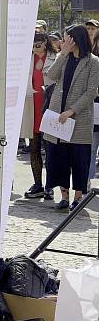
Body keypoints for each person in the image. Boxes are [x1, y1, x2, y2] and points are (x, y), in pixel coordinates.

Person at [43, 25, 99, 211]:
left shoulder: (93, 62)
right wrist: (63, 54)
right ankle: (64, 196)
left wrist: (72, 111)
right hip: (58, 116)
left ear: (76, 39)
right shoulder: (64, 58)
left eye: (67, 38)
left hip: (78, 118)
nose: (63, 41)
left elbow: (91, 92)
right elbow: (50, 76)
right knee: (58, 156)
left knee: (79, 158)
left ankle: (78, 198)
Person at [21, 32, 56, 199]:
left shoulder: (55, 58)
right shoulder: (27, 59)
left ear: (45, 42)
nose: (35, 47)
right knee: (34, 148)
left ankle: (50, 185)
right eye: (33, 44)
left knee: (50, 150)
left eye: (38, 43)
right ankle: (38, 184)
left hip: (49, 107)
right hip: (32, 107)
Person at [85, 20, 99, 184]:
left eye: (93, 28)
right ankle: (86, 181)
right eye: (88, 28)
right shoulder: (84, 49)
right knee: (92, 146)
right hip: (90, 104)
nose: (90, 31)